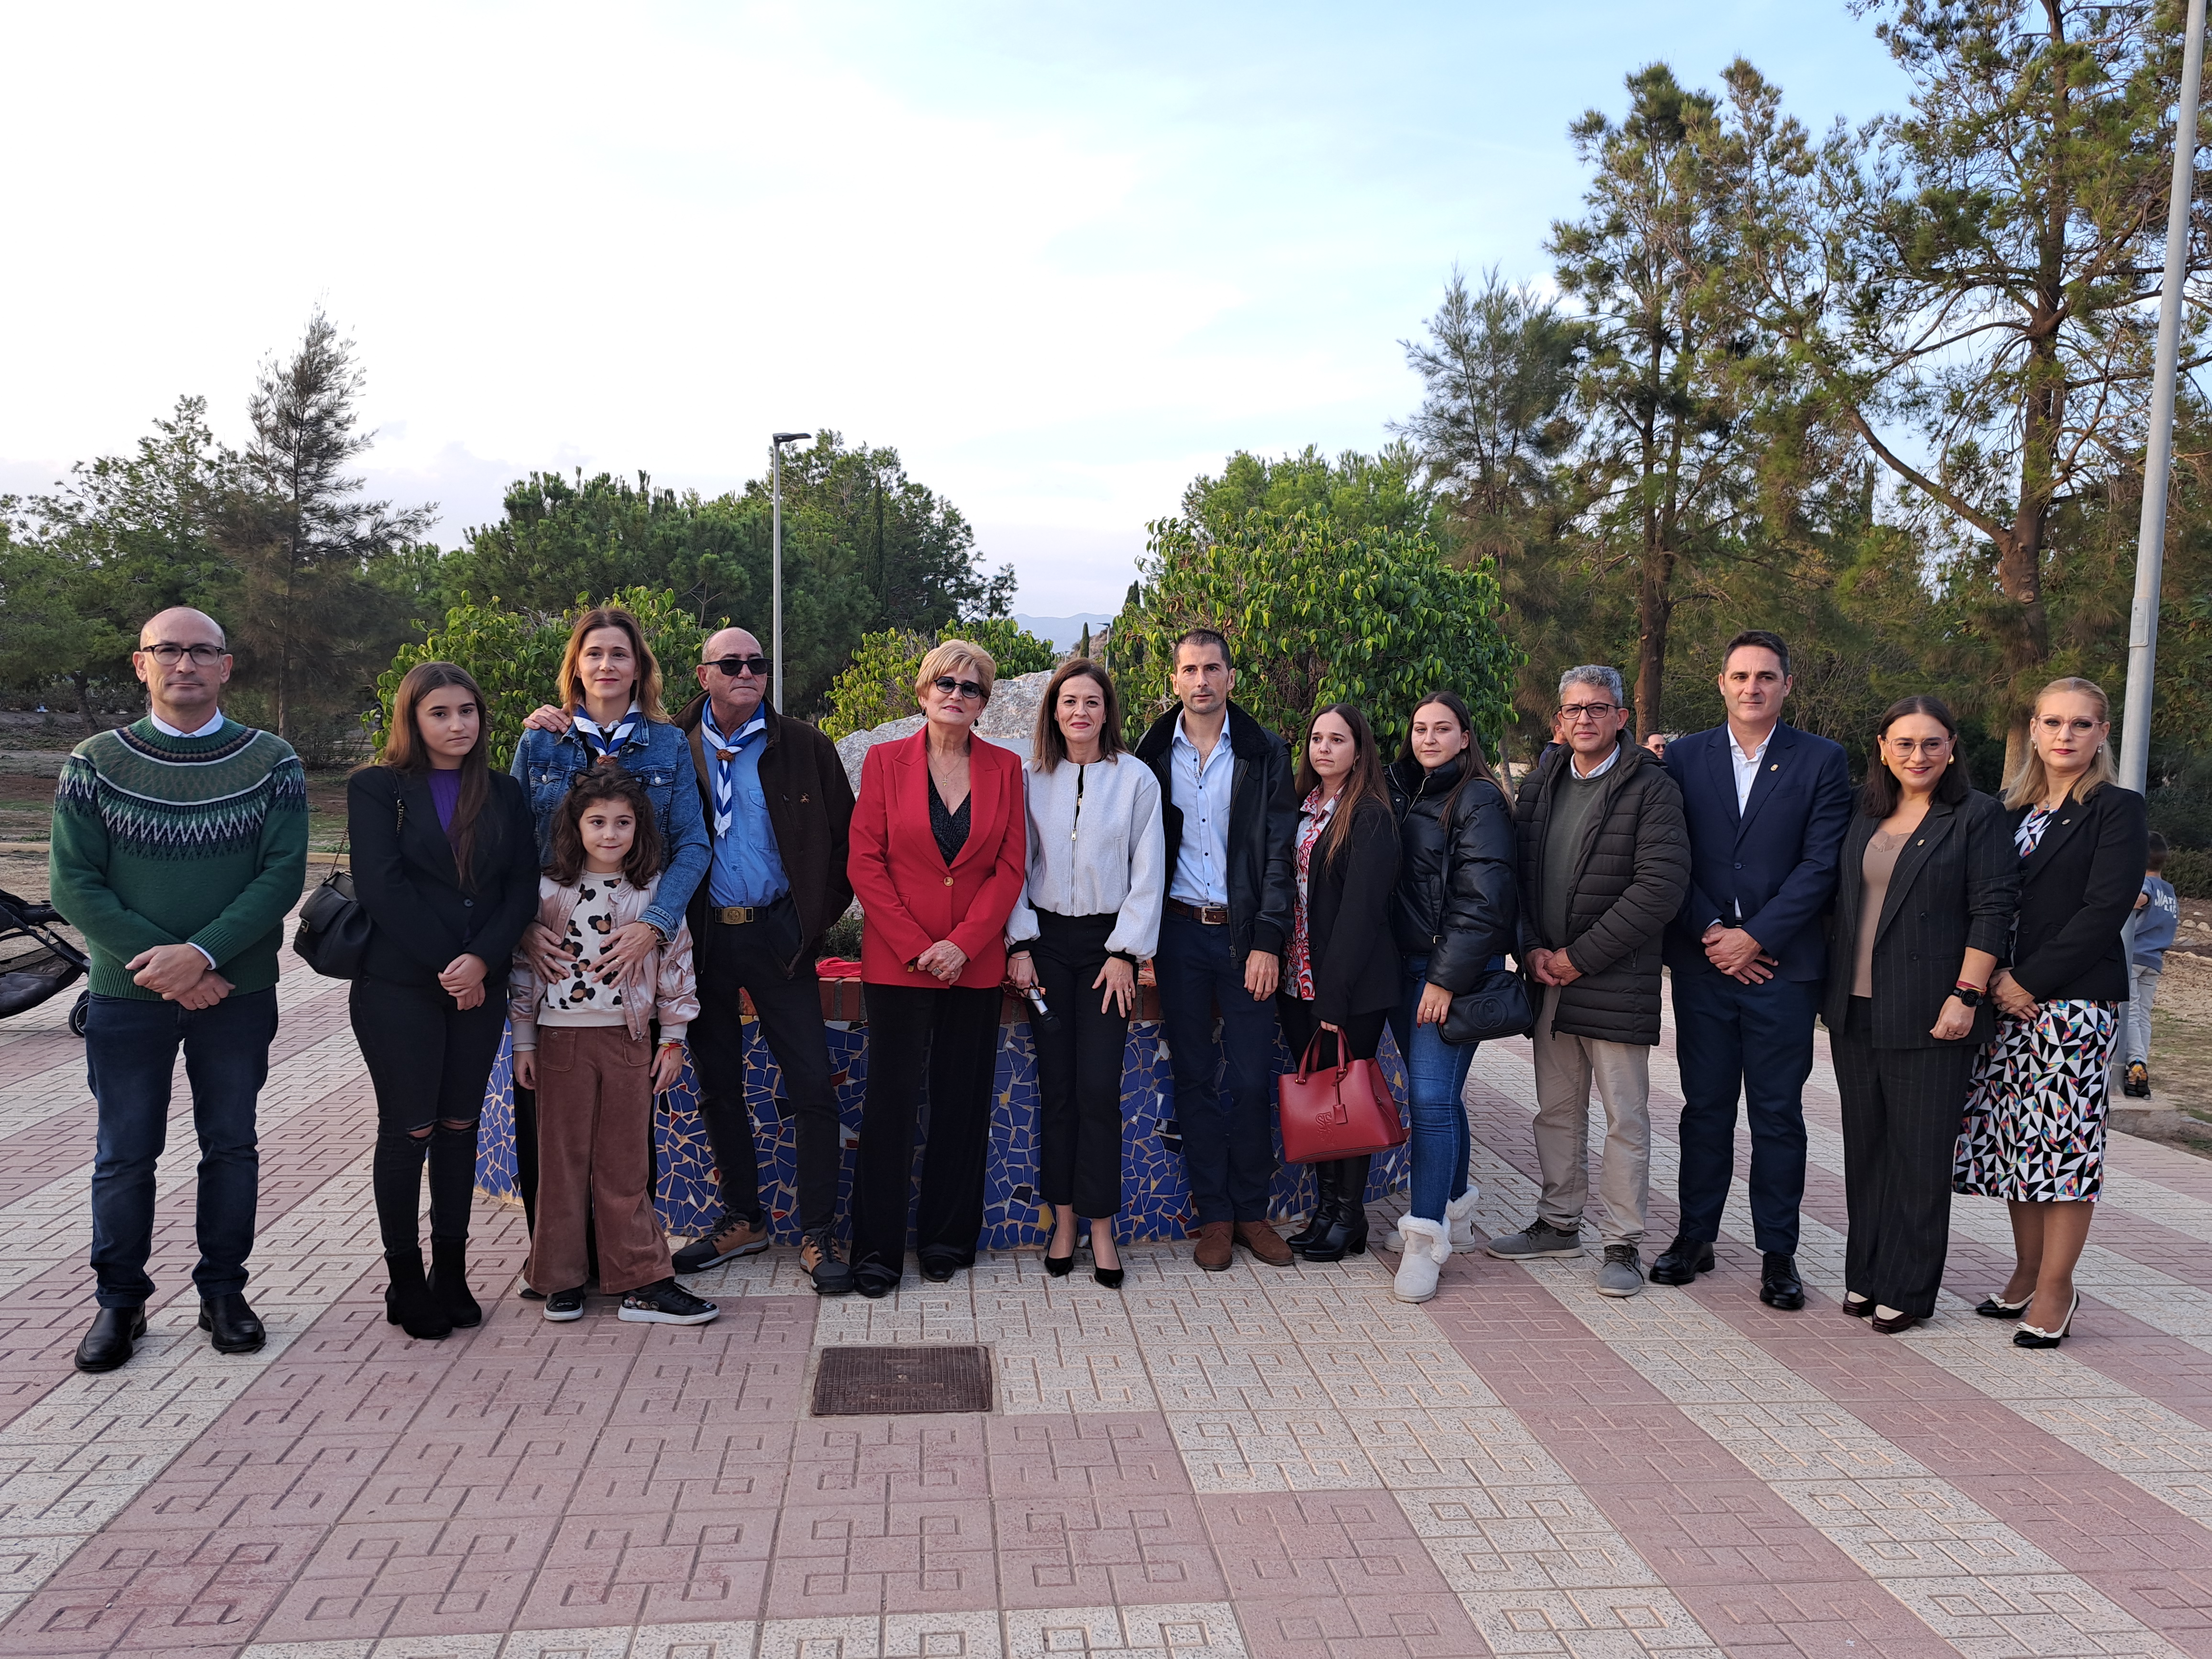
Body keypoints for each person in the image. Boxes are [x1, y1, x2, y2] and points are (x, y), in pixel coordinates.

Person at [50, 608, 309, 1373]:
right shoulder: (94, 763)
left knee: (231, 1146)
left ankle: (223, 1292)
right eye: (168, 650)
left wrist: (200, 956)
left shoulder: (273, 763)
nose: (185, 664)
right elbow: (74, 885)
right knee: (125, 1154)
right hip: (126, 997)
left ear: (227, 666)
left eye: (202, 651)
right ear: (142, 664)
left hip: (237, 992)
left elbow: (280, 878)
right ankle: (119, 1302)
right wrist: (165, 967)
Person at [1657, 630, 1850, 1309]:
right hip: (1705, 964)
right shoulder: (1683, 758)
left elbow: (1822, 865)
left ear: (1786, 685)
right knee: (1705, 1110)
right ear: (1721, 683)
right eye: (1740, 676)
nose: (1752, 687)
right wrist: (1714, 932)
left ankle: (1778, 1252)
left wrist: (1756, 937)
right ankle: (1695, 1237)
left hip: (1782, 971)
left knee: (1777, 1115)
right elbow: (1669, 855)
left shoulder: (1822, 760)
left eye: (1766, 676)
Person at [348, 663, 541, 1340]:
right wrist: (450, 966)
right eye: (440, 713)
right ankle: (406, 1279)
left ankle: (451, 1273)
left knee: (460, 1127)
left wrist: (482, 960)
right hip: (399, 987)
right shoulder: (377, 788)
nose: (458, 724)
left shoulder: (505, 791)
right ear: (413, 719)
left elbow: (521, 886)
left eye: (468, 711)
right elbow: (383, 885)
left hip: (478, 986)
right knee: (410, 1131)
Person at [1956, 676, 2149, 1349]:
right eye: (2053, 722)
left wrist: (2027, 980)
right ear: (2034, 730)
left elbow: (2105, 908)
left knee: (2064, 1148)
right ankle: (2026, 1271)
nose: (2065, 735)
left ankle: (2058, 1287)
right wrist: (1993, 981)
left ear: (2102, 734)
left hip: (2072, 1005)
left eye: (2081, 724)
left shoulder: (2115, 809)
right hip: (2005, 1003)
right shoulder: (2009, 813)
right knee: (2021, 1144)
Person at [666, 626, 858, 1294]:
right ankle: (743, 1219)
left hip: (779, 938)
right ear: (704, 676)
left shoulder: (804, 746)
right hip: (703, 939)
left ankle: (818, 1232)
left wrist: (807, 924)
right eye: (732, 664)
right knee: (718, 1084)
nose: (747, 672)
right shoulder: (673, 746)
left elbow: (847, 847)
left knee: (812, 1085)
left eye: (758, 663)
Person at [1490, 666, 1690, 1299]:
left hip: (1613, 981)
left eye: (1598, 708)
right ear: (1559, 719)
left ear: (1621, 717)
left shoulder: (1651, 787)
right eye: (1574, 709)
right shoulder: (1541, 783)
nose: (1585, 719)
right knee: (1556, 1111)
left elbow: (1659, 888)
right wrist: (1530, 948)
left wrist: (1580, 957)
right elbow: (1518, 877)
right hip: (1547, 976)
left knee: (1624, 1117)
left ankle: (1622, 1243)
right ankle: (1557, 1223)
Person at [512, 607, 710, 1234]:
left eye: (619, 654)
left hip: (632, 961)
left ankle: (626, 1261)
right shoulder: (540, 741)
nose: (606, 664)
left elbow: (693, 844)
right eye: (593, 653)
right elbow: (508, 846)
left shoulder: (667, 744)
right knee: (551, 1133)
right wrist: (522, 925)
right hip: (554, 964)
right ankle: (556, 1261)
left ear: (638, 667)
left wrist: (655, 924)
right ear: (576, 665)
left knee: (628, 1137)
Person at [1822, 696, 2016, 1335]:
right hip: (1855, 1008)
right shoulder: (1860, 808)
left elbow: (1993, 909)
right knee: (1866, 1150)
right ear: (1882, 748)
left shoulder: (1977, 816)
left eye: (1932, 743)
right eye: (1904, 743)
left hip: (1933, 1012)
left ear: (1952, 748)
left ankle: (1907, 1287)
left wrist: (1966, 994)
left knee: (1919, 1156)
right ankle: (1866, 1273)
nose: (1918, 755)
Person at [845, 640, 1028, 1297]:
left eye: (970, 687)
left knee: (962, 1106)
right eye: (945, 683)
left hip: (971, 967)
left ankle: (947, 1240)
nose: (956, 695)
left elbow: (1010, 867)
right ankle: (876, 1252)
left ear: (984, 704)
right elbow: (865, 861)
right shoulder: (884, 761)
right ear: (923, 693)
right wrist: (917, 943)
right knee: (889, 1108)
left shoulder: (1006, 769)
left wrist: (964, 944)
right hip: (899, 964)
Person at [509, 767, 715, 1325]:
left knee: (625, 1166)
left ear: (639, 829)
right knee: (562, 1164)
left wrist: (673, 1039)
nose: (609, 834)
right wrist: (524, 1043)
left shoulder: (652, 894)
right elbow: (524, 971)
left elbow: (676, 968)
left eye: (623, 823)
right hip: (560, 1043)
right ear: (575, 827)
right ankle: (559, 1279)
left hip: (628, 1041)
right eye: (597, 822)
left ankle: (641, 1280)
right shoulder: (547, 891)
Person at [1133, 630, 1299, 1272]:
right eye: (1189, 669)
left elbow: (1279, 855)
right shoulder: (1151, 753)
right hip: (1177, 936)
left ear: (1231, 677)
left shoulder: (1264, 752)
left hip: (1244, 937)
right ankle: (1216, 1216)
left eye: (1211, 669)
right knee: (1195, 1077)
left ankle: (1253, 1211)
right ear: (1174, 680)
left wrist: (1267, 940)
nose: (1200, 680)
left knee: (1252, 1078)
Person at [1006, 660, 1165, 1290]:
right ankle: (1064, 1220)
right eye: (1069, 701)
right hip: (1046, 945)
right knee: (1059, 1090)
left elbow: (1148, 870)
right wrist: (1020, 943)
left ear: (1107, 712)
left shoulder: (1135, 780)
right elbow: (1013, 865)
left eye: (1091, 702)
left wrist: (1126, 953)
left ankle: (1102, 1227)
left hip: (1107, 949)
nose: (1080, 712)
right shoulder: (1029, 779)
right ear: (1053, 710)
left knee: (1098, 1089)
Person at [1379, 691, 1515, 1303]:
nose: (1428, 739)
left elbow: (1484, 900)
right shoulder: (1405, 790)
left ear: (1465, 737)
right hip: (1404, 968)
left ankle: (1424, 1238)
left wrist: (1443, 978)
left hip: (1448, 974)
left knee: (1430, 1101)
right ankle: (1455, 1213)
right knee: (1442, 1095)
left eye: (1442, 729)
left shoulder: (1478, 798)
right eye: (1419, 729)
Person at [1274, 704, 1401, 1264]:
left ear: (1359, 749)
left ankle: (1349, 1217)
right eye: (1317, 739)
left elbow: (1360, 914)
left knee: (1346, 1100)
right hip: (1296, 980)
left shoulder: (1369, 815)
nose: (1323, 748)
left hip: (1348, 988)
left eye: (1337, 740)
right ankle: (1327, 1212)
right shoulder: (1302, 807)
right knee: (1321, 1102)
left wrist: (1334, 996)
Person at [2122, 833, 2179, 1098]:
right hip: (2154, 960)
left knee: (2130, 1012)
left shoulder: (2145, 884)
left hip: (2134, 957)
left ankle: (2135, 1064)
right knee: (2143, 1015)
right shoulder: (2169, 890)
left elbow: (2139, 899)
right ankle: (2141, 1064)